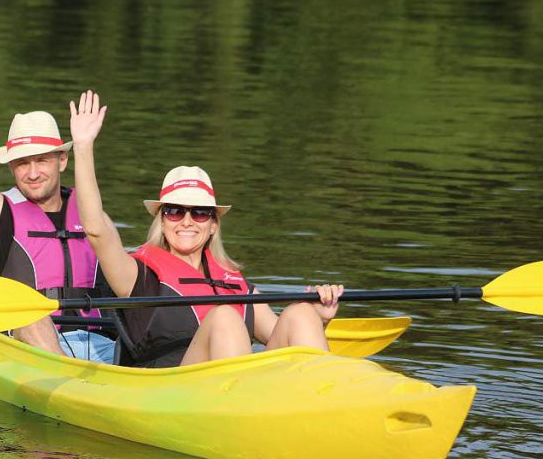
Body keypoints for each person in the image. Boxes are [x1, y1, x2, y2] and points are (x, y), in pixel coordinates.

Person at [69, 90, 343, 368]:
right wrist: (83, 147)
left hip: (237, 389)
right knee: (224, 317)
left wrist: (321, 317)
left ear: (213, 225)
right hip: (171, 390)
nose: (186, 220)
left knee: (301, 313)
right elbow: (96, 230)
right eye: (175, 211)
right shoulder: (137, 278)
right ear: (162, 221)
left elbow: (282, 337)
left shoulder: (235, 283)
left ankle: (326, 398)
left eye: (199, 213)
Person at [0, 10, 114, 363]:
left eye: (41, 160)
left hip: (102, 345)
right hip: (25, 349)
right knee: (31, 315)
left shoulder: (88, 210)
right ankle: (72, 385)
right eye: (21, 163)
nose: (31, 173)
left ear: (62, 160)